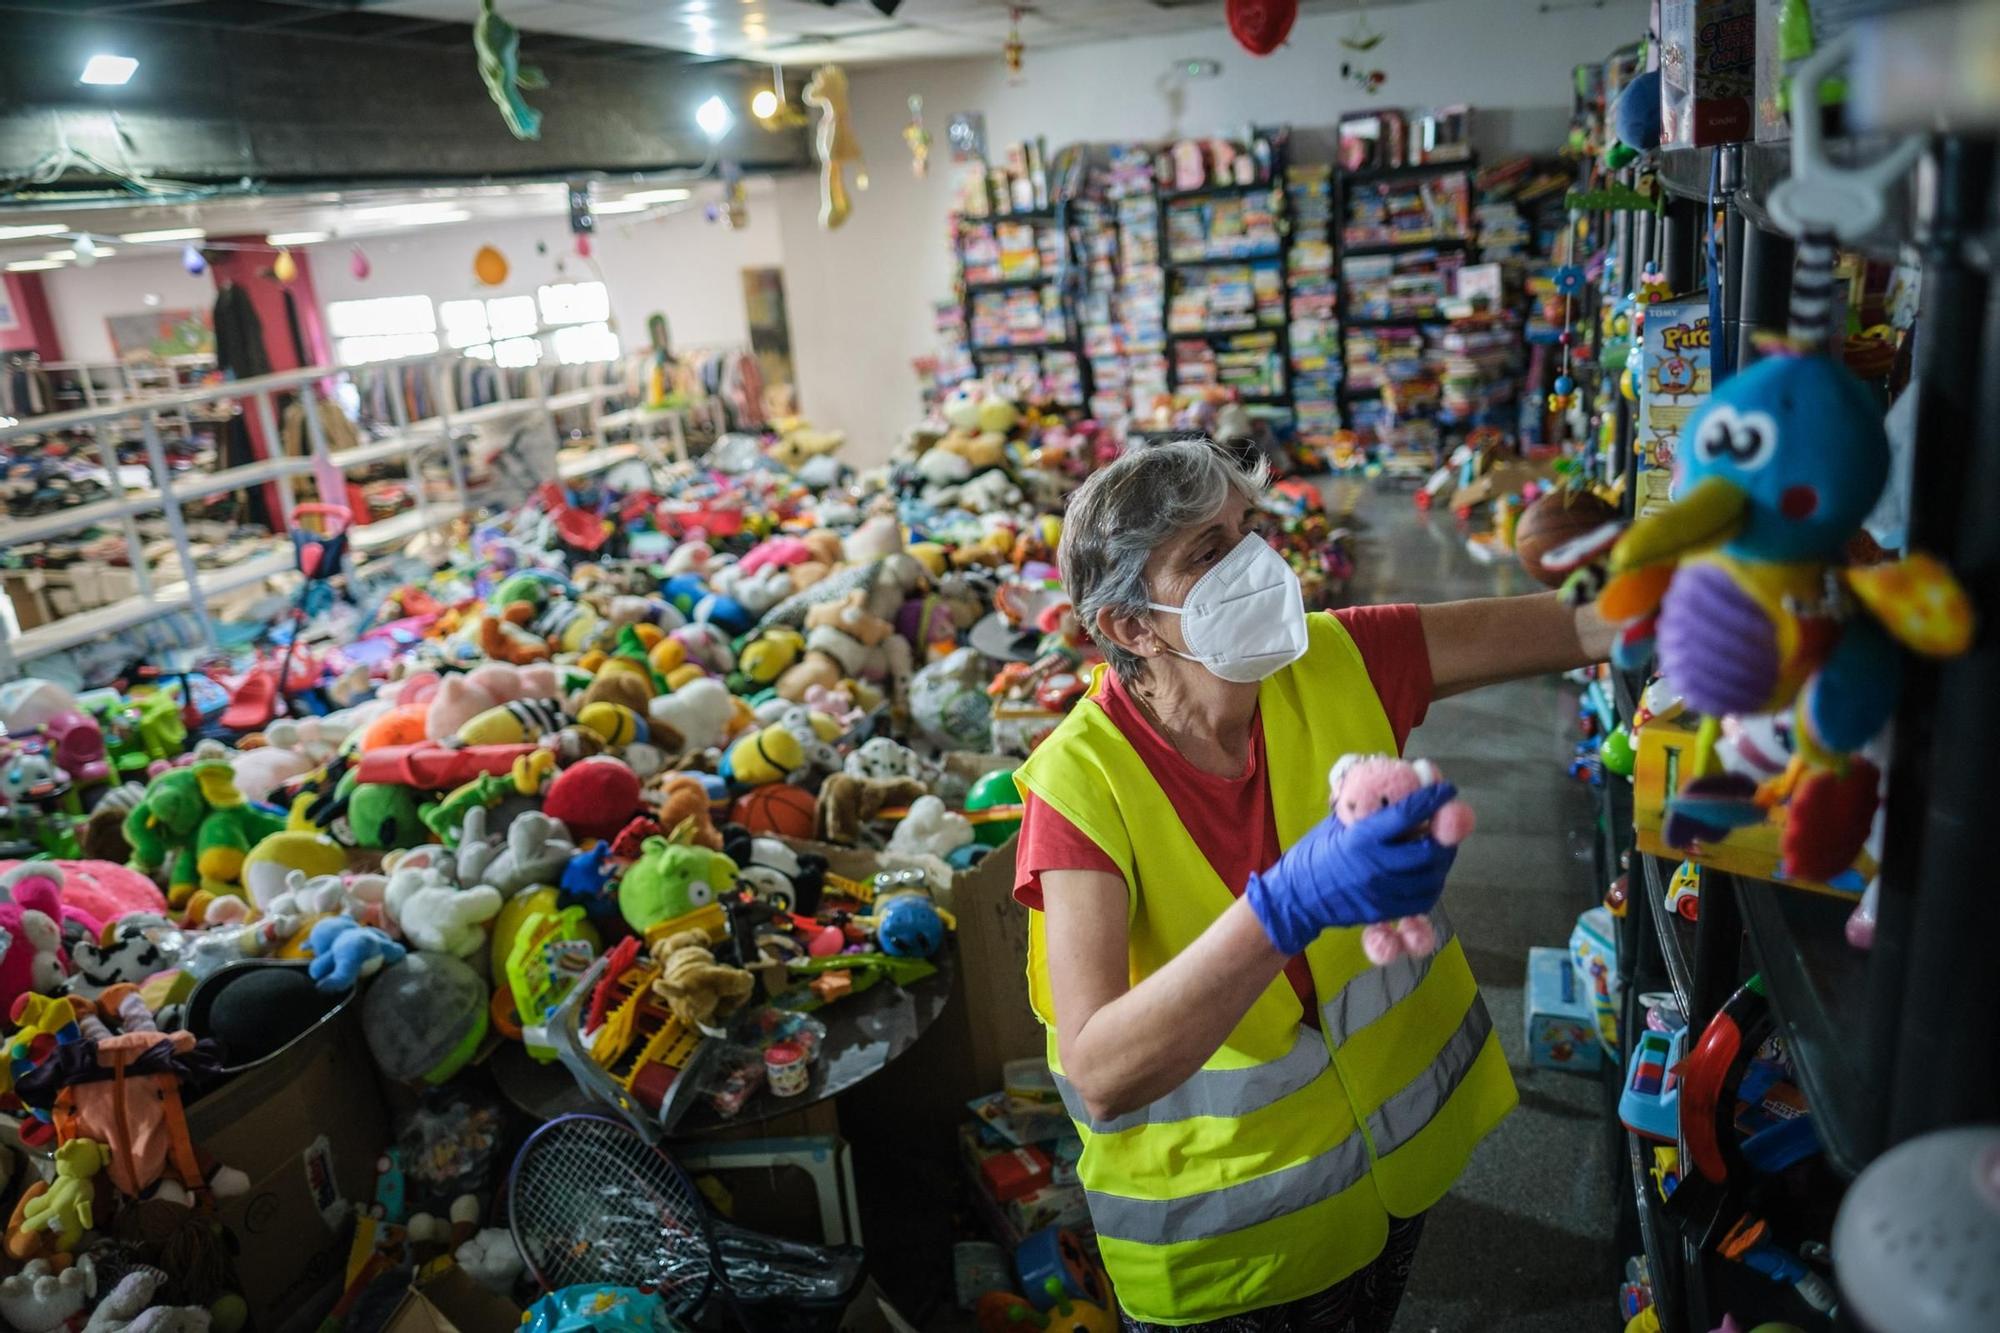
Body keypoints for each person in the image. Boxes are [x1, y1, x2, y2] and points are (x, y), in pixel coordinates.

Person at [1014, 439, 1614, 1332]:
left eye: (1251, 529)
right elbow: (1102, 1071)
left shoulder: (1338, 657)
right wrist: (1284, 906)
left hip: (1396, 1179)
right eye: (1208, 551)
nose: (1256, 561)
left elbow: (1586, 624)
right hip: (1231, 1253)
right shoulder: (1079, 787)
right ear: (1133, 625)